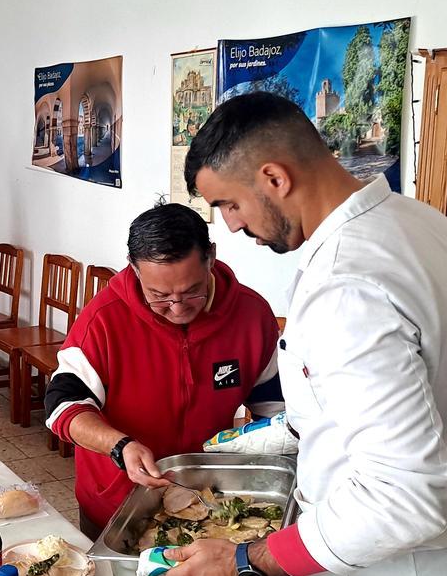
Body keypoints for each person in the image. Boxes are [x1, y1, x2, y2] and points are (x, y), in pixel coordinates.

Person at [171, 91, 447, 576]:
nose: (231, 226)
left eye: (229, 205)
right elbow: (359, 407)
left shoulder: (347, 286)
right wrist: (243, 446)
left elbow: (403, 497)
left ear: (274, 179)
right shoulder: (419, 222)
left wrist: (248, 559)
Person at [43, 203, 282, 540]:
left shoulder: (251, 315)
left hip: (211, 502)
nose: (178, 307)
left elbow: (275, 410)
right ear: (135, 270)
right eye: (159, 295)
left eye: (191, 291)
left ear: (211, 256)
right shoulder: (104, 320)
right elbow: (62, 407)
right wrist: (118, 445)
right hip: (119, 504)